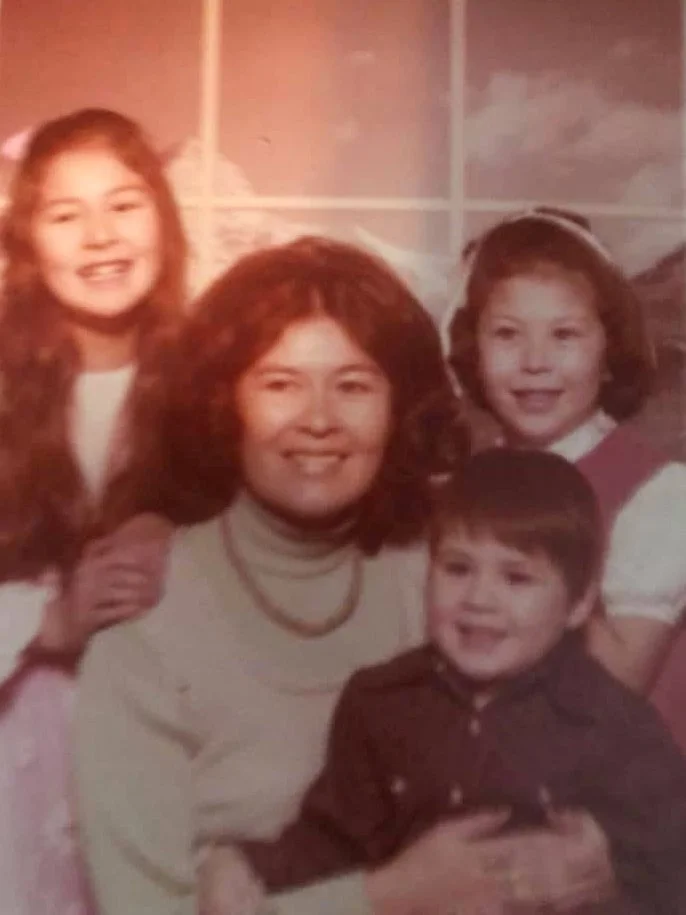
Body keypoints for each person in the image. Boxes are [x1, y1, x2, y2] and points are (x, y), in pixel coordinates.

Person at [76, 237, 615, 915]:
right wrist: (385, 896)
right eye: (280, 384)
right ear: (223, 405)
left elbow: (589, 766)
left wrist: (595, 851)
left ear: (398, 409)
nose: (320, 420)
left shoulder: (454, 578)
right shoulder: (143, 629)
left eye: (354, 385)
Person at [209, 448, 686, 915]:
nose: (479, 598)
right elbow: (331, 844)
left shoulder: (613, 724)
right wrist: (244, 865)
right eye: (457, 569)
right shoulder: (379, 704)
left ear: (580, 604)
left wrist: (610, 875)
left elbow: (670, 861)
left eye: (517, 578)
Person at [0, 107, 185, 914]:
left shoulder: (220, 380)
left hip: (161, 749)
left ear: (163, 218)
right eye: (66, 216)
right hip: (20, 746)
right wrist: (50, 623)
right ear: (30, 243)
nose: (101, 236)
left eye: (124, 203)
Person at [446, 207, 686, 753]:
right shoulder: (462, 488)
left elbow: (616, 684)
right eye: (507, 334)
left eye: (564, 335)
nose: (536, 362)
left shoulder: (661, 496)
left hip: (634, 808)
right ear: (473, 350)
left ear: (608, 351)